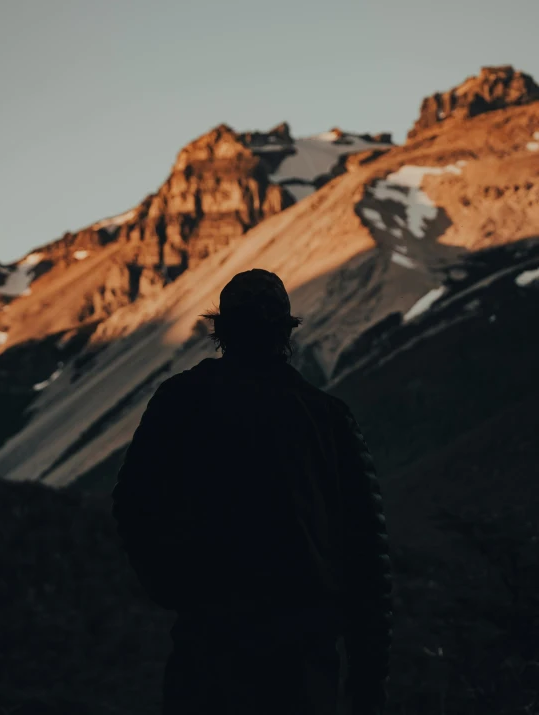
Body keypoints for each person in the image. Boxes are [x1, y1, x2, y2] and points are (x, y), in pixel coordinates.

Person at [111, 268, 393, 715]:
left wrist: (175, 588)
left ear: (221, 328)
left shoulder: (181, 400)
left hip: (210, 646)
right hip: (303, 657)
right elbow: (366, 553)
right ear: (287, 329)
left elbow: (133, 502)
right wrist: (369, 673)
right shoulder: (328, 418)